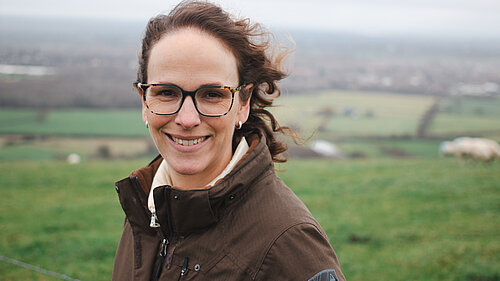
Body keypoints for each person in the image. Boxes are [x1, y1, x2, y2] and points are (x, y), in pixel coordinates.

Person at [112, 1, 346, 280]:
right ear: (144, 101)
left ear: (243, 103)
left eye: (212, 94)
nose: (187, 119)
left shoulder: (289, 243)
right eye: (166, 93)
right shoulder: (147, 207)